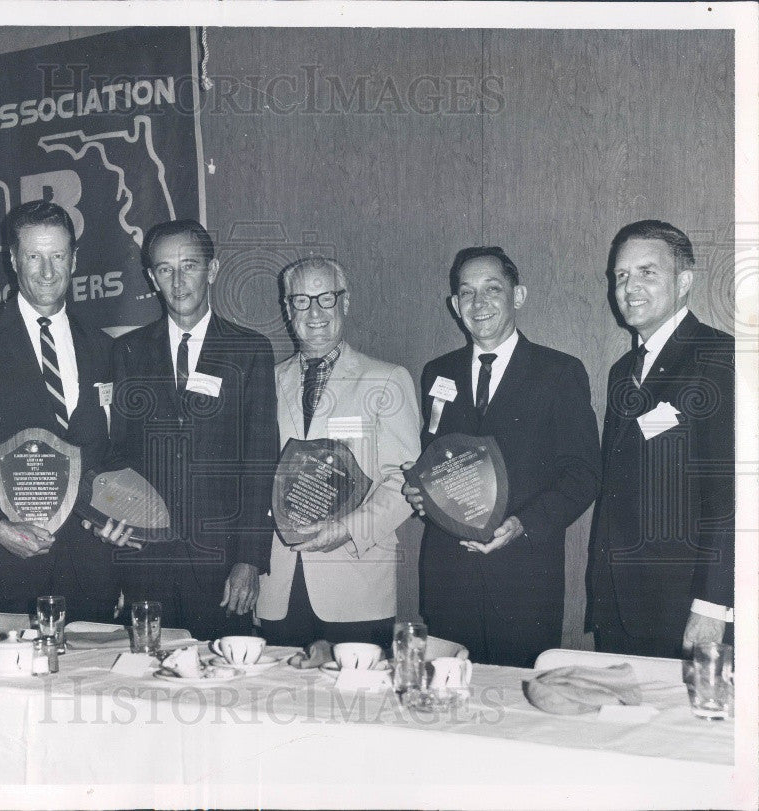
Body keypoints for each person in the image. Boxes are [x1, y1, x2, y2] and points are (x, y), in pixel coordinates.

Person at [402, 247, 600, 667]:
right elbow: (435, 462)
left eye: (493, 289)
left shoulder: (559, 372)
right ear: (455, 306)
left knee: (514, 714)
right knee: (443, 708)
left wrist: (523, 525)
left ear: (519, 296)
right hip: (447, 577)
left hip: (524, 579)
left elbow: (583, 474)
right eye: (467, 293)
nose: (479, 303)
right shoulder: (437, 373)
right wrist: (420, 494)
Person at [96, 219, 278, 640]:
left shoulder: (249, 351)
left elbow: (260, 462)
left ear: (212, 271)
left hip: (221, 566)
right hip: (145, 559)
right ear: (151, 278)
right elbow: (118, 452)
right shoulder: (128, 351)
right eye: (164, 269)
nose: (178, 282)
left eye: (189, 266)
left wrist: (249, 560)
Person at [0, 200, 116, 617]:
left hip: (89, 572)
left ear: (74, 260)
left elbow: (108, 452)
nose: (47, 271)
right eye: (34, 257)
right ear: (13, 260)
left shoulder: (104, 346)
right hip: (4, 566)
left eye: (57, 256)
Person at [586, 220, 734, 658]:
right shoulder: (622, 370)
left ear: (684, 281)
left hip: (685, 606)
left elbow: (730, 495)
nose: (630, 286)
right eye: (621, 276)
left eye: (647, 272)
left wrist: (713, 604)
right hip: (619, 605)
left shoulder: (717, 357)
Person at [255, 257, 420, 649]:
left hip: (357, 584)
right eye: (301, 300)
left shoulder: (387, 379)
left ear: (345, 303)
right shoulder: (266, 381)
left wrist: (347, 530)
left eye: (325, 298)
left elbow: (403, 482)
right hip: (278, 585)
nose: (314, 312)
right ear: (286, 308)